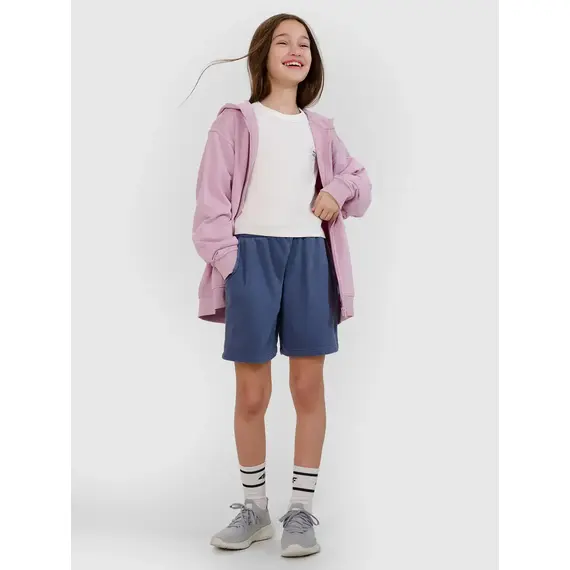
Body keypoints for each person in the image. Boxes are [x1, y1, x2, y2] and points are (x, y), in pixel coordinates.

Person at [190, 13, 372, 558]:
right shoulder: (235, 121)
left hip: (310, 259)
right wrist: (232, 264)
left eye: (305, 44)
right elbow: (209, 204)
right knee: (252, 393)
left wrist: (335, 190)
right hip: (251, 258)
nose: (296, 50)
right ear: (262, 54)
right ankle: (255, 510)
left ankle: (300, 511)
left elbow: (360, 181)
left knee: (308, 388)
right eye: (283, 42)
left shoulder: (322, 129)